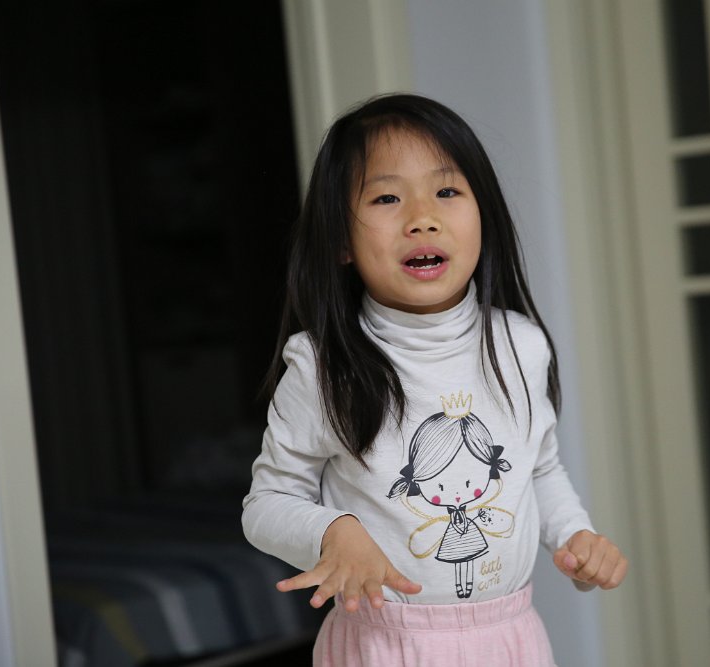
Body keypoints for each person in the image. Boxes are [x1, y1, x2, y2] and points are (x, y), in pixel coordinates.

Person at [242, 93, 627, 666]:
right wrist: (331, 530)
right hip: (382, 644)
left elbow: (539, 468)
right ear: (342, 241)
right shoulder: (323, 367)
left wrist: (575, 535)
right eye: (387, 197)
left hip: (510, 639)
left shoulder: (521, 345)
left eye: (447, 192)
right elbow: (266, 505)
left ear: (483, 215)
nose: (422, 217)